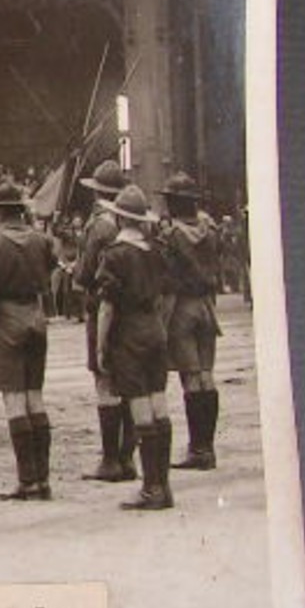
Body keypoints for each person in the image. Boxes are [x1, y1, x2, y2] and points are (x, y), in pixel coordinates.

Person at [0, 183, 57, 499]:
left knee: (14, 400)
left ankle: (27, 481)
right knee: (36, 397)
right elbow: (51, 268)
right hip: (36, 317)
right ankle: (44, 480)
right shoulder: (40, 240)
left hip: (6, 320)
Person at [95, 185, 176, 510]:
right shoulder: (155, 250)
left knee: (140, 409)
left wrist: (101, 346)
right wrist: (160, 326)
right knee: (160, 406)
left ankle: (150, 489)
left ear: (117, 216)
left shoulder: (114, 255)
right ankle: (163, 485)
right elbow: (167, 295)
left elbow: (107, 308)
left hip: (128, 333)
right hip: (155, 329)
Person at [74, 159, 138, 482]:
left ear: (98, 191)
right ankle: (127, 458)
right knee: (126, 384)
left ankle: (110, 460)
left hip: (102, 306)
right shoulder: (130, 223)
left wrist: (73, 270)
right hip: (130, 311)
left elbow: (84, 275)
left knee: (104, 382)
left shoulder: (98, 225)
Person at [157, 172, 223, 470]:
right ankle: (207, 448)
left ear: (174, 203)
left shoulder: (172, 236)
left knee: (190, 378)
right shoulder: (210, 230)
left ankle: (197, 449)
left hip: (182, 308)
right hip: (207, 307)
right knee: (207, 374)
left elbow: (166, 277)